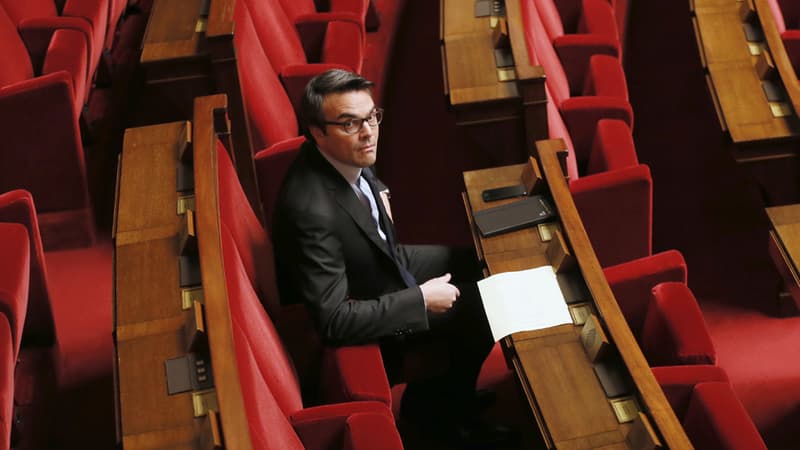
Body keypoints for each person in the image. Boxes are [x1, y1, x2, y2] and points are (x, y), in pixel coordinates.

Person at [272, 69, 514, 448]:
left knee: (474, 261)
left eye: (371, 117)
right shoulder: (310, 212)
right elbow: (333, 320)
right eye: (350, 123)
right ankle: (437, 412)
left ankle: (451, 394)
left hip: (381, 260)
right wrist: (419, 300)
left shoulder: (344, 150)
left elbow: (365, 179)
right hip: (370, 301)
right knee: (483, 310)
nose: (368, 132)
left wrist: (378, 189)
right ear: (317, 132)